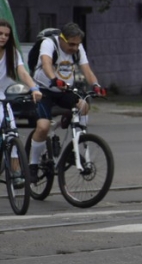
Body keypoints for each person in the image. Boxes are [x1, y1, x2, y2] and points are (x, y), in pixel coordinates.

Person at [29, 22, 106, 179]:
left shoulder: (77, 47)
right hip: (44, 89)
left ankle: (75, 146)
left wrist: (96, 85)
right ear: (62, 39)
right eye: (71, 44)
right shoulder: (49, 43)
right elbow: (46, 63)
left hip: (65, 90)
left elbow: (86, 69)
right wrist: (53, 79)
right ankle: (33, 164)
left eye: (77, 45)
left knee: (83, 106)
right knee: (43, 127)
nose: (74, 48)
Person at [0, 19, 43, 188]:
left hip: (3, 96)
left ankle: (16, 171)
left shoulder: (13, 53)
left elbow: (22, 72)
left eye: (6, 35)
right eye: (0, 34)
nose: (3, 37)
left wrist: (34, 88)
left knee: (12, 133)